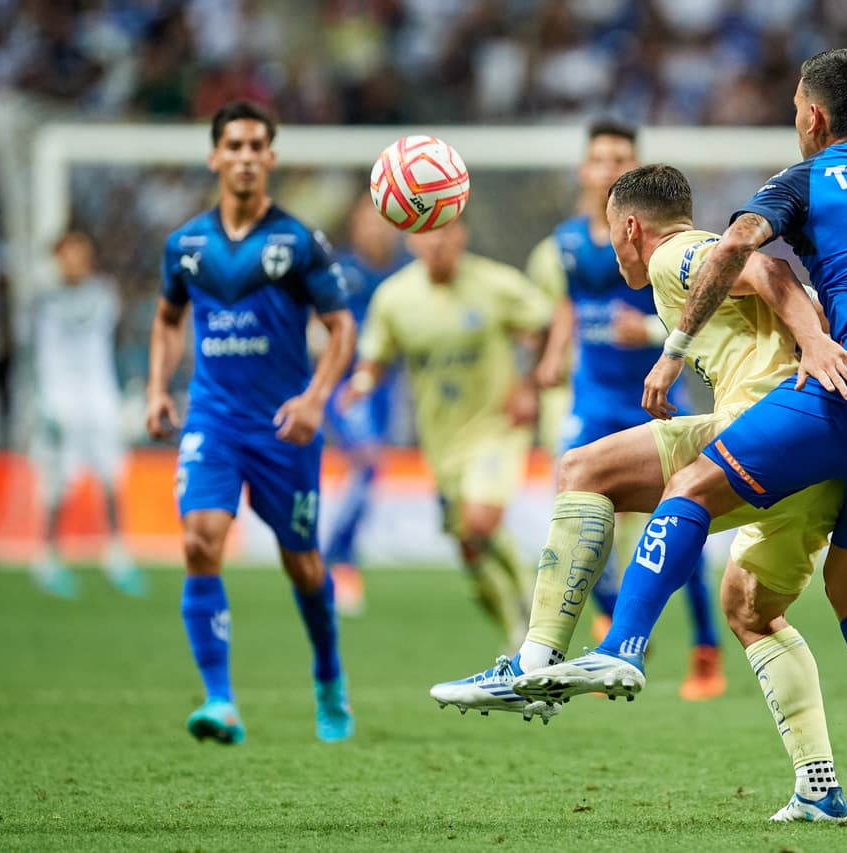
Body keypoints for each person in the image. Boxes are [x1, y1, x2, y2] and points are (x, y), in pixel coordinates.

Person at [433, 165, 847, 820]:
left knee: (583, 470)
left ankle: (538, 664)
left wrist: (787, 343)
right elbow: (797, 297)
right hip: (824, 462)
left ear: (629, 228)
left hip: (771, 429)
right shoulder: (689, 274)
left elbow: (770, 273)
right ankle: (821, 785)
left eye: (614, 235)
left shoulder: (676, 253)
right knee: (751, 607)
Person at [147, 100, 357, 745]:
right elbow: (167, 318)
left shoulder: (297, 241)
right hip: (213, 419)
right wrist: (158, 387)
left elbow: (341, 326)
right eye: (232, 145)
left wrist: (317, 397)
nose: (243, 157)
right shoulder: (184, 247)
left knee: (303, 566)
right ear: (215, 157)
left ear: (270, 158)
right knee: (199, 542)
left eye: (255, 146)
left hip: (283, 427)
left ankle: (328, 677)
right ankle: (221, 702)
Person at [527, 120, 726, 700]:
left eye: (621, 156)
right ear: (585, 171)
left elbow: (695, 305)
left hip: (653, 394)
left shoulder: (658, 244)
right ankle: (617, 621)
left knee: (684, 514)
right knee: (575, 507)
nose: (609, 166)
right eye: (599, 158)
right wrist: (554, 354)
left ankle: (705, 649)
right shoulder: (567, 241)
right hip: (592, 395)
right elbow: (572, 305)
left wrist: (642, 331)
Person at [342, 217, 550, 651]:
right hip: (442, 442)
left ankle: (535, 613)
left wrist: (530, 385)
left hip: (497, 428)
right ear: (411, 239)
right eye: (426, 233)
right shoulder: (394, 298)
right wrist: (358, 388)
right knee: (469, 550)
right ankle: (513, 626)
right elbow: (376, 357)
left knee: (480, 519)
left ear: (462, 235)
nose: (437, 241)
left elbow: (549, 326)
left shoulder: (496, 284)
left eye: (447, 231)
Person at [30, 231, 146, 599]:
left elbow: (122, 339)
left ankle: (117, 554)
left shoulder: (104, 294)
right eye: (67, 255)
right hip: (61, 403)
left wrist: (131, 385)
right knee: (58, 481)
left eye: (80, 254)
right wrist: (41, 400)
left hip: (100, 400)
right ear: (57, 258)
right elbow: (33, 354)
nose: (74, 262)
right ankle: (48, 556)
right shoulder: (44, 303)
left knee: (112, 477)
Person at [320, 196, 410, 616]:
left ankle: (338, 557)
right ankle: (338, 559)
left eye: (381, 224)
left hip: (384, 388)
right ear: (355, 228)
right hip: (346, 385)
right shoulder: (341, 271)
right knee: (367, 462)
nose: (375, 231)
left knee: (371, 470)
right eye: (367, 223)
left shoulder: (400, 275)